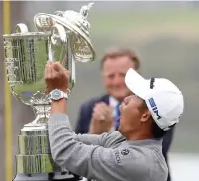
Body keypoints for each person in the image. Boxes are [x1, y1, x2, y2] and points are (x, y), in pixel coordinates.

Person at [45, 62, 184, 181]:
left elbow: (64, 150)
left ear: (145, 116)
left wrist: (58, 93)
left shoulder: (141, 162)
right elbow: (66, 142)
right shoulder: (122, 140)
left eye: (136, 96)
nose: (126, 98)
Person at [74, 48, 175, 181]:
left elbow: (150, 154)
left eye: (123, 75)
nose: (116, 82)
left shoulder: (157, 106)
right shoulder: (89, 108)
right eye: (110, 76)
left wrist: (103, 134)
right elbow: (74, 156)